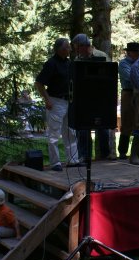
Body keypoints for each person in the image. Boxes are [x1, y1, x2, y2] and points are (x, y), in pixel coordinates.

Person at [34, 38, 80, 172]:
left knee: (71, 132)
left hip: (68, 101)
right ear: (61, 49)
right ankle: (55, 163)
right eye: (68, 47)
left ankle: (73, 160)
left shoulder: (69, 63)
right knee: (54, 134)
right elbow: (39, 83)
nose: (70, 50)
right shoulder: (51, 64)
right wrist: (47, 99)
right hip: (55, 101)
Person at [71, 33, 113, 161]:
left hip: (101, 98)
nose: (76, 50)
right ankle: (84, 155)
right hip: (84, 99)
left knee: (103, 127)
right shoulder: (78, 59)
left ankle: (105, 154)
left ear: (84, 46)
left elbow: (110, 76)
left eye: (77, 47)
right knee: (83, 128)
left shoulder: (102, 56)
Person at [117, 42, 139, 159]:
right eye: (135, 52)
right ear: (129, 52)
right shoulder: (123, 64)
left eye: (138, 51)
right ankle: (122, 151)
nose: (138, 54)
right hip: (128, 93)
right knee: (126, 123)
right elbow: (130, 77)